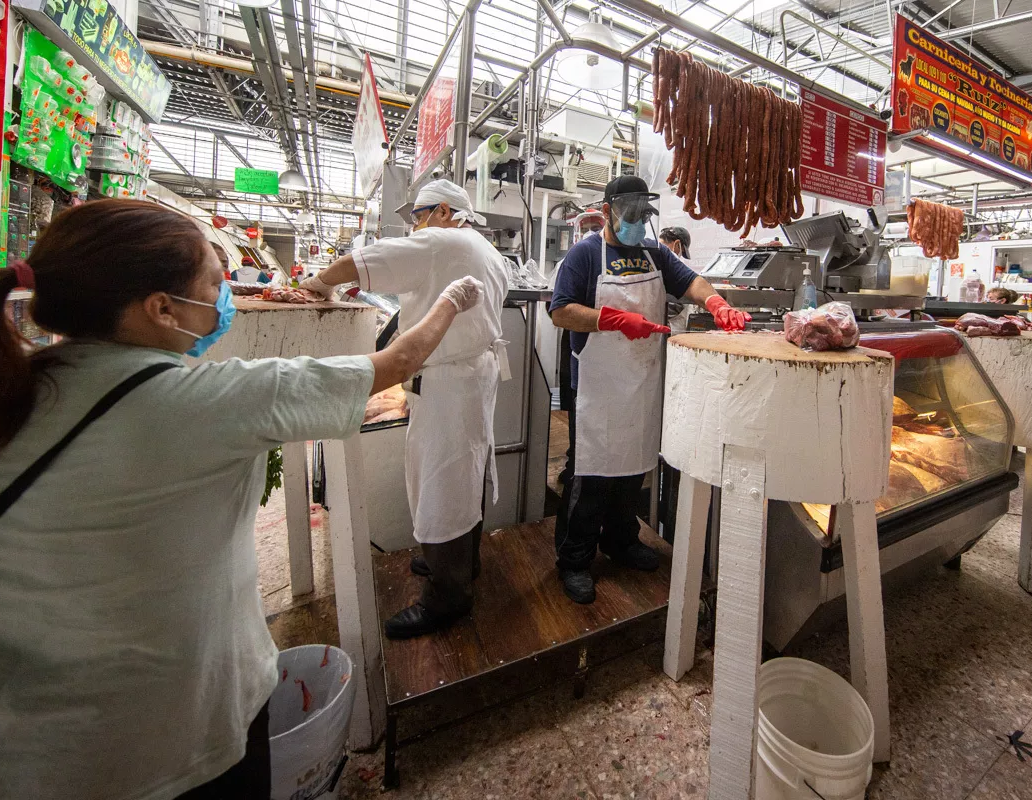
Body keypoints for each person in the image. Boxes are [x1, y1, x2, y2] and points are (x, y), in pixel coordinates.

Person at [0, 199, 483, 800]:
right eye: (217, 284)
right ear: (161, 307)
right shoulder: (218, 400)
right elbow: (397, 361)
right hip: (178, 753)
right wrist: (452, 301)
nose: (225, 298)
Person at [300, 179, 509, 639]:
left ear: (447, 212)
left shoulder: (443, 239)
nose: (416, 225)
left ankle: (447, 597)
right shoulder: (486, 249)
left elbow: (363, 261)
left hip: (449, 382)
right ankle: (458, 561)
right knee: (465, 473)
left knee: (441, 481)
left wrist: (317, 283)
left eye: (420, 214)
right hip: (473, 375)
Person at [549, 175, 750, 605]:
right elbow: (561, 312)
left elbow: (691, 282)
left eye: (645, 215)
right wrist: (613, 320)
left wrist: (716, 302)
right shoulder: (584, 255)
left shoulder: (654, 253)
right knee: (592, 474)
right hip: (599, 389)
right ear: (608, 212)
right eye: (631, 214)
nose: (639, 223)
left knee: (633, 469)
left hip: (642, 383)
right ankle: (575, 558)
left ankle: (621, 541)